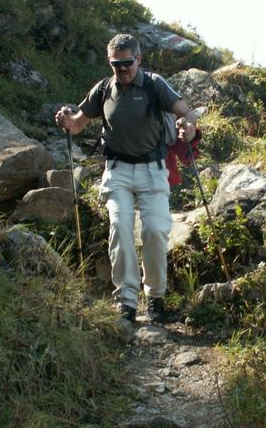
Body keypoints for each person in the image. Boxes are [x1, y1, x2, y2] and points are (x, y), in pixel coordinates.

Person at [55, 33, 198, 323]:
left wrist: (188, 126)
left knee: (155, 231)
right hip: (117, 170)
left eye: (127, 63)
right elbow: (78, 124)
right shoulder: (103, 89)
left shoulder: (155, 84)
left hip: (153, 170)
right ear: (109, 62)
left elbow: (187, 112)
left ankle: (155, 298)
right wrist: (67, 122)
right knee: (120, 229)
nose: (122, 69)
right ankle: (127, 301)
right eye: (115, 64)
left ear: (138, 59)